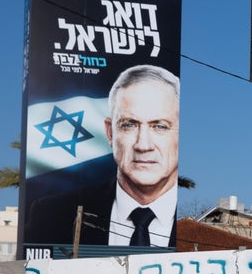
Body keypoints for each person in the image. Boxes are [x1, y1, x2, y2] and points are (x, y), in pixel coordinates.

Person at [26, 64, 182, 246]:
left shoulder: (199, 226)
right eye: (129, 125)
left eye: (160, 126)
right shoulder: (50, 216)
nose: (143, 145)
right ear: (110, 132)